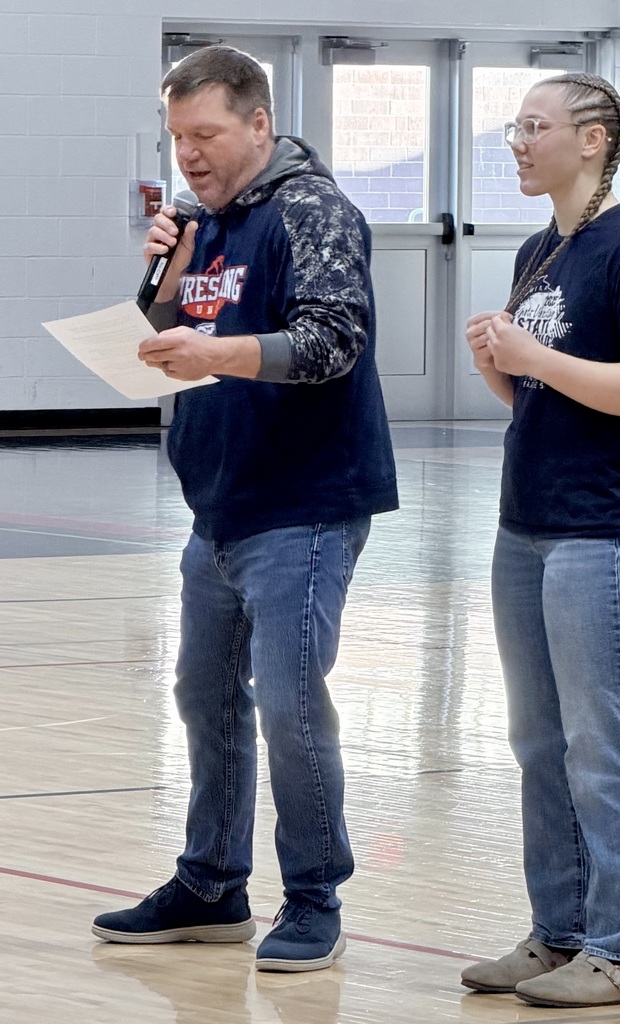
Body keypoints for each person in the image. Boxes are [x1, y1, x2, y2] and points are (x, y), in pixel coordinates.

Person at [91, 44, 398, 973]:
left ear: (259, 124)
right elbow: (166, 343)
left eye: (207, 134)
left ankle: (314, 897)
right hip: (219, 503)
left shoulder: (313, 210)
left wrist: (213, 353)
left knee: (291, 706)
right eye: (177, 135)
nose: (188, 153)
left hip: (302, 503)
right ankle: (213, 882)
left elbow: (331, 340)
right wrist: (167, 288)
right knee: (204, 694)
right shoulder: (204, 225)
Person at [460, 73, 620, 1008]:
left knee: (605, 744)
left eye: (534, 126)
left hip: (608, 532)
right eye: (515, 127)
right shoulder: (540, 249)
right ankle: (558, 936)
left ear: (592, 139)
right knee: (540, 744)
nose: (518, 142)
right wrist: (502, 371)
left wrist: (535, 356)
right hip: (531, 526)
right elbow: (546, 398)